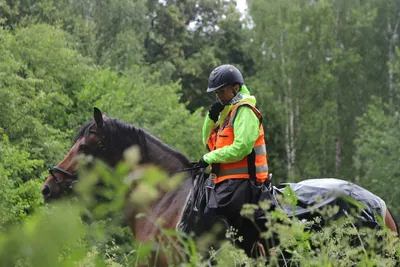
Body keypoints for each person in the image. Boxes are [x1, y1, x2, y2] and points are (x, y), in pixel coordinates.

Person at [196, 64, 269, 232]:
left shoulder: (245, 111)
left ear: (236, 88)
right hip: (226, 182)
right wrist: (211, 118)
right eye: (216, 93)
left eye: (222, 91)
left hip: (246, 183)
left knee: (212, 216)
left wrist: (208, 158)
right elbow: (207, 142)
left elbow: (241, 148)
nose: (219, 96)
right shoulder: (228, 113)